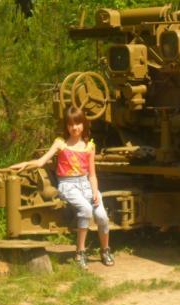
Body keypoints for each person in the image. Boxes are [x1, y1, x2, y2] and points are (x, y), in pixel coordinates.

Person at [10, 106, 114, 269]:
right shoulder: (60, 143)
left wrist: (94, 191)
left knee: (102, 216)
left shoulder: (89, 146)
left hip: (86, 184)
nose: (75, 127)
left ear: (84, 124)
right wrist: (24, 164)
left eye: (78, 123)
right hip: (68, 185)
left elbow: (92, 174)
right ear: (66, 126)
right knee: (86, 210)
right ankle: (80, 252)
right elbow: (40, 162)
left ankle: (105, 250)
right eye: (71, 124)